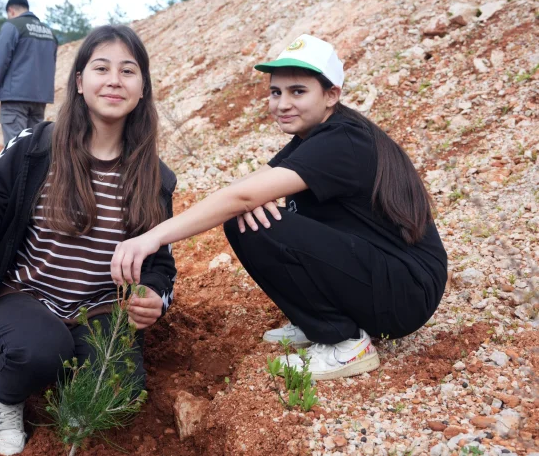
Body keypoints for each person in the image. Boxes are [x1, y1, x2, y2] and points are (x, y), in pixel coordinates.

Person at [110, 34, 448, 381]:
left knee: (255, 220)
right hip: (385, 277)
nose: (282, 103)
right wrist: (248, 199)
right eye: (276, 92)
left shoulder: (342, 141)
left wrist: (150, 239)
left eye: (297, 91)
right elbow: (245, 190)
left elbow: (241, 197)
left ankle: (345, 342)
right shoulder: (313, 138)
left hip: (406, 293)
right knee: (247, 220)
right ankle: (317, 321)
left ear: (332, 94)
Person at [0, 25, 176, 455]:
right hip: (25, 297)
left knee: (121, 389)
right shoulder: (35, 149)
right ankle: (5, 398)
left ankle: (72, 381)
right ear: (78, 82)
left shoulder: (154, 177)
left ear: (142, 88)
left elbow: (160, 265)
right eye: (101, 68)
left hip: (99, 309)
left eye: (128, 71)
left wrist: (154, 297)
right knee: (39, 350)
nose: (114, 80)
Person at [0, 0, 57, 145]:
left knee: (15, 148)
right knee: (34, 146)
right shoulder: (49, 33)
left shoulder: (13, 26)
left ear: (11, 11)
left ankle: (16, 170)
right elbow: (52, 63)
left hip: (15, 97)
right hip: (39, 98)